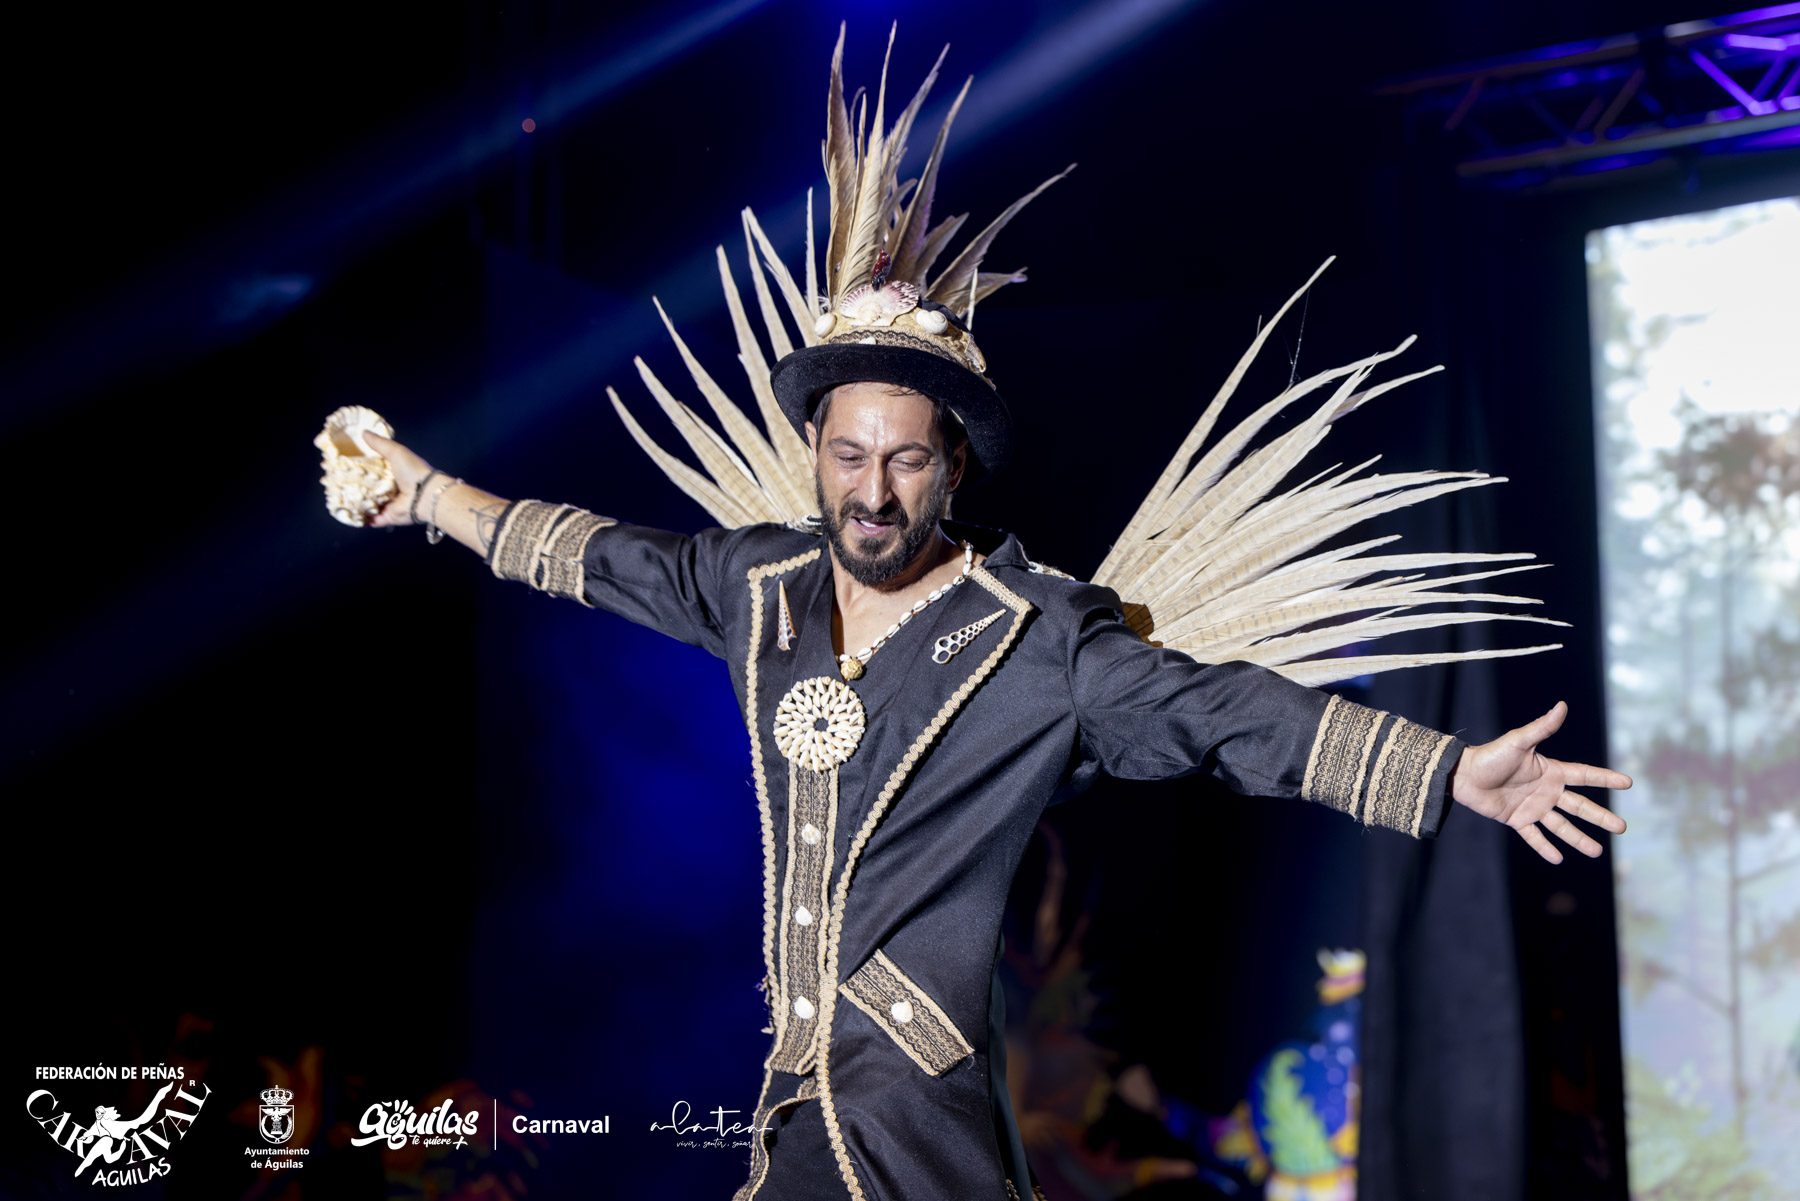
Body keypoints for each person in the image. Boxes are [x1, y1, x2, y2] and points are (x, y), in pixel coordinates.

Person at [344, 29, 1629, 1201]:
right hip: (793, 1121)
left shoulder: (1035, 635)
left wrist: (1446, 769)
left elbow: (1223, 714)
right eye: (848, 455)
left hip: (921, 1139)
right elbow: (597, 557)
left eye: (905, 459)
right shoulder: (759, 586)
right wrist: (429, 493)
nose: (872, 491)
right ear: (814, 454)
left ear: (952, 465)